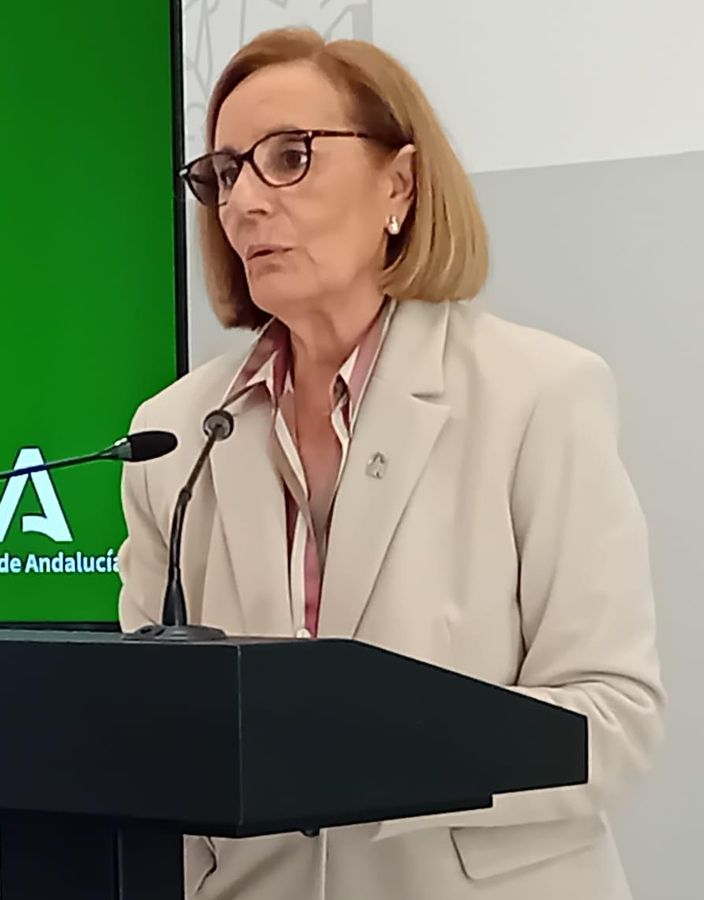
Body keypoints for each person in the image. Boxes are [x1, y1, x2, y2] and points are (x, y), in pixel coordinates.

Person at [117, 27, 663, 900]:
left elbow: (613, 721)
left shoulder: (539, 394)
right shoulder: (173, 433)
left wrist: (365, 753)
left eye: (287, 157)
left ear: (398, 185)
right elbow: (147, 734)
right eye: (223, 174)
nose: (246, 202)